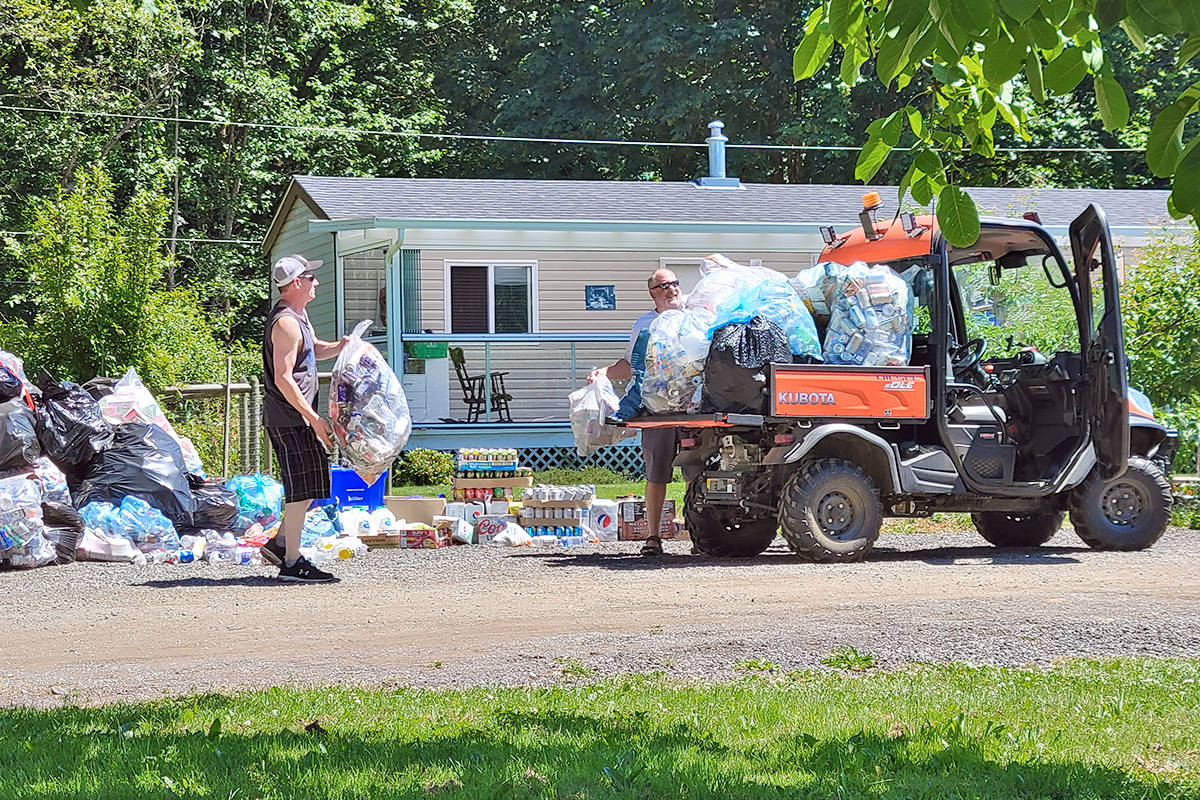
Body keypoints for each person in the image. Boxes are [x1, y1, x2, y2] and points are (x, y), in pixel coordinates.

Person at [589, 268, 700, 556]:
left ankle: (696, 532)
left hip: (693, 406)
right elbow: (631, 363)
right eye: (664, 286)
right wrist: (605, 372)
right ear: (653, 292)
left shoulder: (695, 315)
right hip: (657, 408)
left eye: (675, 283)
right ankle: (653, 536)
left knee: (694, 472)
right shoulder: (645, 324)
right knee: (656, 473)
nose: (672, 289)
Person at [259, 254, 349, 583]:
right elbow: (284, 378)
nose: (316, 283)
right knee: (300, 489)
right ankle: (292, 563)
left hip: (298, 416)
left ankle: (281, 544)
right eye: (310, 278)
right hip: (289, 417)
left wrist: (341, 346)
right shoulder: (284, 322)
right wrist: (312, 417)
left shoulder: (300, 317)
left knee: (311, 482)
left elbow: (312, 349)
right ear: (296, 283)